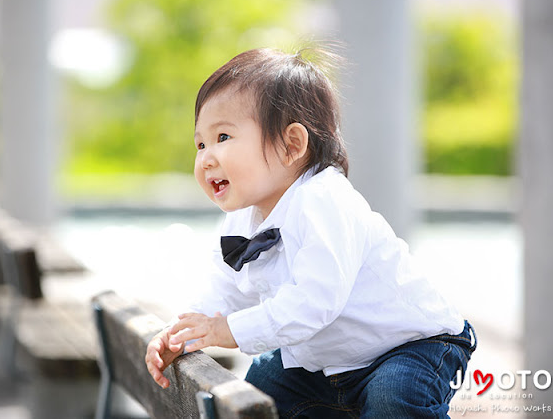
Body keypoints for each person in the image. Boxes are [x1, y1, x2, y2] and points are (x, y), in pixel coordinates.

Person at [144, 47, 476, 418]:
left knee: (391, 400)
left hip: (409, 346)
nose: (206, 157)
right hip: (327, 363)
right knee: (257, 395)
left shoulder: (324, 200)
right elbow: (222, 288)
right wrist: (183, 331)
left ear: (291, 145)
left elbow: (314, 301)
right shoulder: (243, 218)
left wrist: (227, 331)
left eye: (223, 137)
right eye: (200, 143)